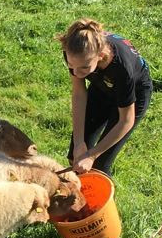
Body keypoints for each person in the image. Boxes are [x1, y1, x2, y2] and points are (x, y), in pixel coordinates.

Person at [57, 18, 151, 177]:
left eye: (84, 67)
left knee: (99, 166)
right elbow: (79, 94)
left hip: (134, 92)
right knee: (76, 157)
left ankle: (102, 191)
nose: (77, 73)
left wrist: (92, 155)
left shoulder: (122, 69)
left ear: (100, 55)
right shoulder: (74, 51)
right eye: (72, 66)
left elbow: (126, 121)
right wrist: (79, 143)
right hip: (102, 86)